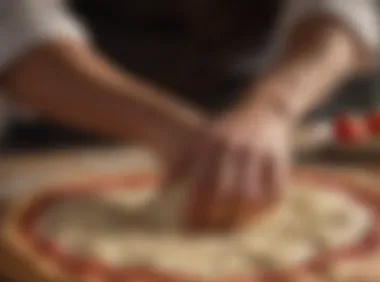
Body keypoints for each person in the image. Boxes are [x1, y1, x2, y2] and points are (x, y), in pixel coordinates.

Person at [0, 0, 378, 223]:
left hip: (284, 113)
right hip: (67, 125)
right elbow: (15, 25)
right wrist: (162, 126)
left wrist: (272, 110)